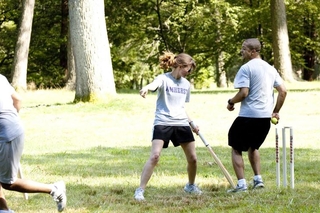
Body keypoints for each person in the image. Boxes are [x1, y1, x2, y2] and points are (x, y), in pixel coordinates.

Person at [134, 51, 201, 201]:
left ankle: (190, 186)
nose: (189, 72)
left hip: (181, 122)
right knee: (155, 156)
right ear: (180, 66)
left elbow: (182, 107)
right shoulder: (163, 78)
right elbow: (154, 84)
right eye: (188, 69)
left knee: (193, 158)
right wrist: (146, 88)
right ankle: (140, 190)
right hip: (163, 122)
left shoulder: (186, 84)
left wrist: (191, 123)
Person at [226, 38, 287, 192]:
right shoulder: (271, 69)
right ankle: (258, 180)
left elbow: (243, 93)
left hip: (248, 116)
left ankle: (241, 185)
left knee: (236, 147)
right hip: (265, 119)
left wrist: (231, 101)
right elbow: (283, 91)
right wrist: (276, 111)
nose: (242, 51)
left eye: (244, 48)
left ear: (253, 51)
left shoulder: (246, 68)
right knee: (253, 147)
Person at [0, 74, 67, 212]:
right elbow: (17, 100)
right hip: (11, 128)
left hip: (7, 135)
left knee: (8, 183)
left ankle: (54, 189)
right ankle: (4, 210)